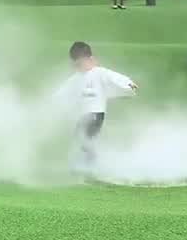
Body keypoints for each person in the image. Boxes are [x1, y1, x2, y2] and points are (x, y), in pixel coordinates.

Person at [54, 41, 138, 171]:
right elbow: (63, 90)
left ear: (91, 59)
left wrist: (129, 84)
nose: (79, 67)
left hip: (96, 114)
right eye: (76, 64)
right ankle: (88, 164)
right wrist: (53, 100)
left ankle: (92, 165)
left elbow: (115, 78)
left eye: (81, 63)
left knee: (84, 138)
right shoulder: (77, 77)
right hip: (85, 115)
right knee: (80, 137)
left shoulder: (99, 72)